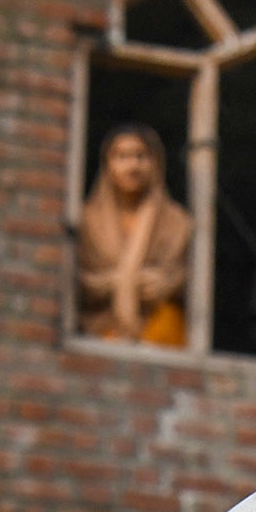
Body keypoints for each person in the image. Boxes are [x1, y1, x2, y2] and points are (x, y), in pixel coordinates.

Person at [75, 124, 193, 346]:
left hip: (162, 333)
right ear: (107, 164)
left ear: (156, 163)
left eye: (141, 156)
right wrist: (118, 283)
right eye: (122, 157)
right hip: (101, 330)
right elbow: (77, 277)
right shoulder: (87, 220)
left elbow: (192, 278)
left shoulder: (178, 222)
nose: (132, 166)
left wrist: (166, 284)